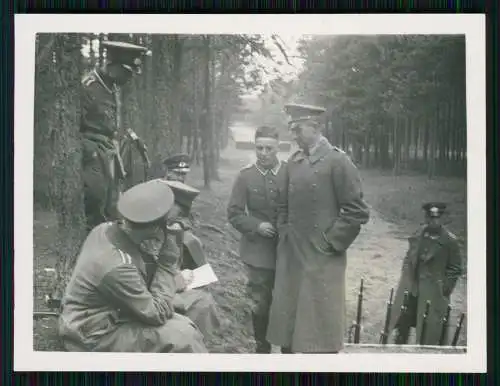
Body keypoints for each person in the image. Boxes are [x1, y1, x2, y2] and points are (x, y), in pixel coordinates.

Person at [266, 103, 370, 354]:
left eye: (297, 129)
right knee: (289, 324)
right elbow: (282, 203)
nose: (293, 135)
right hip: (292, 255)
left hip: (322, 256)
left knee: (320, 324)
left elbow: (356, 211)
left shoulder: (338, 161)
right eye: (291, 129)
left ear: (314, 127)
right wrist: (284, 233)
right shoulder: (294, 162)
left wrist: (330, 242)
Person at [58, 179, 208, 352]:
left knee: (199, 303)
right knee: (184, 334)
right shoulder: (116, 265)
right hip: (93, 333)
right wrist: (167, 264)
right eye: (167, 224)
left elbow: (140, 277)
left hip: (115, 312)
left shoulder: (105, 229)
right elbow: (157, 313)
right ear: (155, 229)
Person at [227, 125, 288, 353]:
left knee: (284, 302)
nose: (263, 153)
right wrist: (256, 226)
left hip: (286, 251)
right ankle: (262, 349)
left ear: (278, 148)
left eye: (269, 148)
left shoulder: (289, 173)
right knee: (260, 303)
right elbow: (234, 213)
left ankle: (287, 351)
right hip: (258, 253)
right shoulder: (245, 176)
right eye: (259, 148)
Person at [80, 40, 150, 232]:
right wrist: (89, 149)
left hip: (109, 150)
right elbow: (75, 126)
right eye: (127, 72)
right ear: (113, 66)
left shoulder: (113, 88)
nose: (129, 78)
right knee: (96, 198)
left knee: (113, 202)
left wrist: (132, 136)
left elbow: (112, 122)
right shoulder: (88, 86)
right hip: (92, 151)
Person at [388, 202, 463, 345]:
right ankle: (400, 345)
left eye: (436, 218)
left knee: (429, 330)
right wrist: (406, 274)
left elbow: (455, 268)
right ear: (426, 217)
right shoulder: (418, 234)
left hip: (432, 293)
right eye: (430, 218)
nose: (433, 221)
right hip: (412, 289)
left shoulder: (449, 242)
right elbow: (409, 256)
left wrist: (444, 289)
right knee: (403, 319)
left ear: (442, 219)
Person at [160, 179, 224, 341]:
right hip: (160, 293)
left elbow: (202, 276)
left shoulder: (182, 235)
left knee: (202, 303)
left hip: (173, 289)